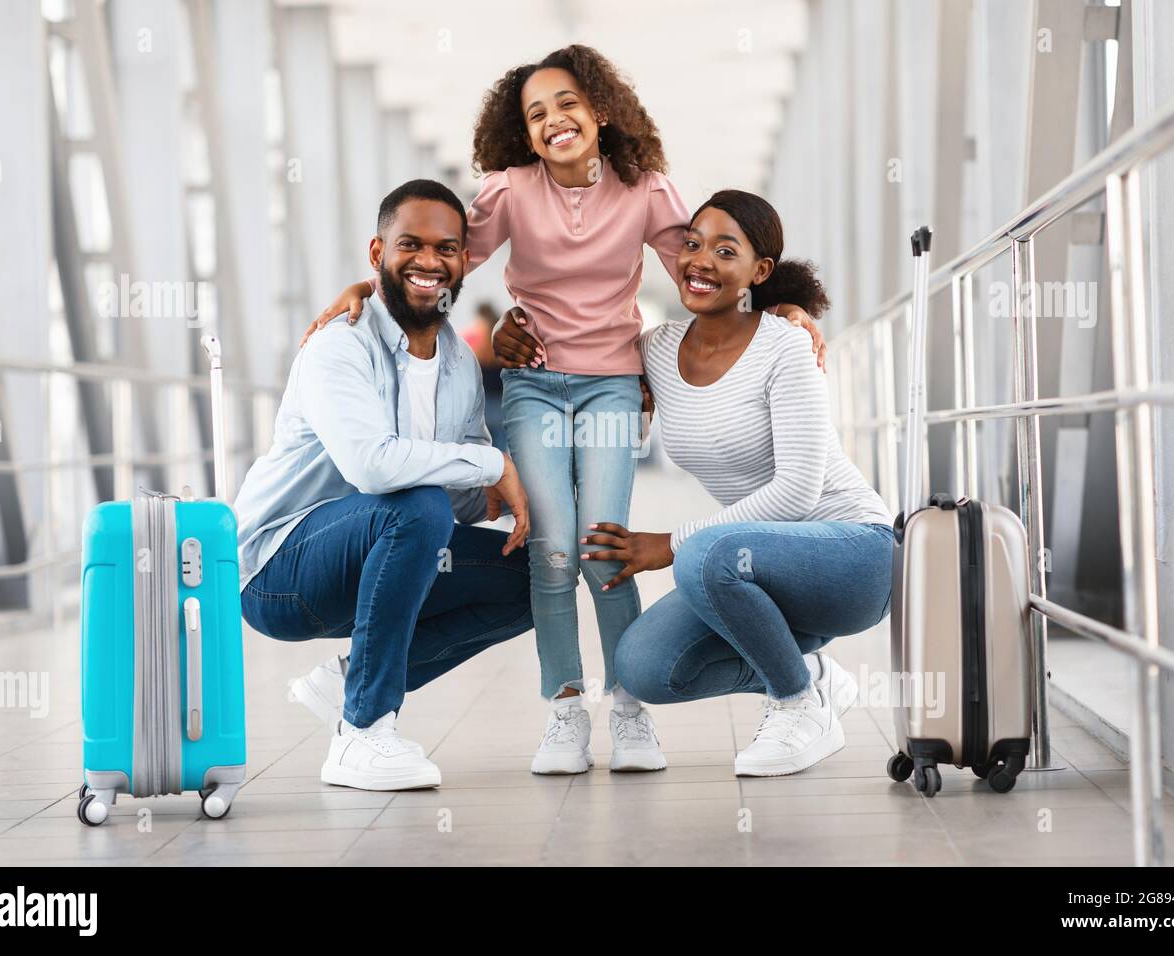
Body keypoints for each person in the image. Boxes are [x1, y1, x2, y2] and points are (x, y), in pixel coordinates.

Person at [302, 46, 824, 777]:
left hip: (612, 386)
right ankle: (565, 712)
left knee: (600, 545)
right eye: (536, 113)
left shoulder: (646, 191)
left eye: (567, 104)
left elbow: (709, 268)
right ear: (523, 130)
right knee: (549, 551)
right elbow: (436, 262)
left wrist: (785, 310)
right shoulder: (510, 190)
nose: (553, 121)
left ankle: (632, 712)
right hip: (535, 388)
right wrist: (366, 288)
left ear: (601, 109)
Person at [552, 190, 893, 778]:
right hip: (756, 567)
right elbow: (571, 353)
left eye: (724, 250)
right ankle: (807, 674)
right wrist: (511, 327)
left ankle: (795, 705)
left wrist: (671, 543)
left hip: (854, 555)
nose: (700, 259)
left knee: (704, 556)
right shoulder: (656, 351)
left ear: (758, 273)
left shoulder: (786, 344)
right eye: (692, 243)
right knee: (645, 667)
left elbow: (798, 491)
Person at [234, 180, 533, 791]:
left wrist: (538, 502)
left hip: (382, 550)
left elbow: (459, 498)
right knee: (414, 504)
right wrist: (492, 465)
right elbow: (374, 468)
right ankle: (363, 734)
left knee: (533, 577)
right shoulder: (338, 345)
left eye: (446, 248)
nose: (429, 262)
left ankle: (350, 681)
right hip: (279, 571)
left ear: (465, 261)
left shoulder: (456, 364)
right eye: (410, 245)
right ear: (377, 255)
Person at [461, 301, 507, 451]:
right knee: (501, 452)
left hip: (482, 406)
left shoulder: (473, 339)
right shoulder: (504, 339)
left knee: (482, 451)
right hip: (502, 405)